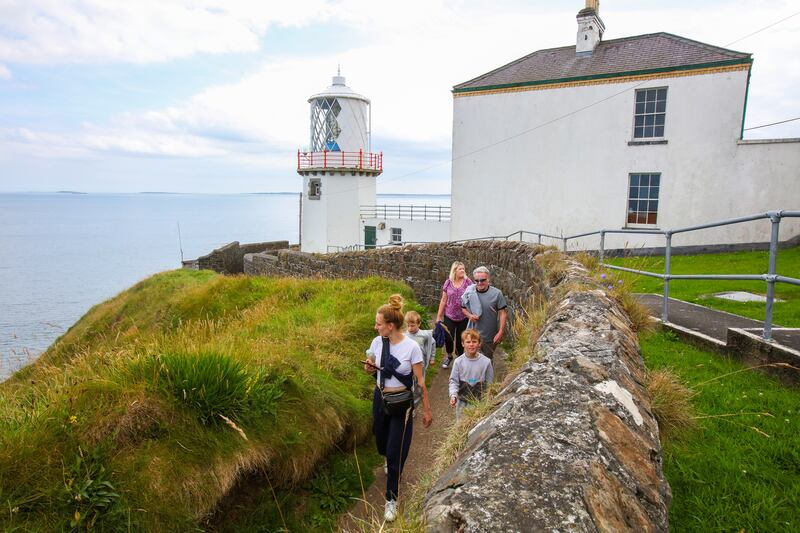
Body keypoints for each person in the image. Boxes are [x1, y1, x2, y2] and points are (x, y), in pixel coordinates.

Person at [365, 295, 433, 522]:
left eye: (378, 323)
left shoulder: (412, 348)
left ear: (390, 325)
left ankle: (391, 498)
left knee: (395, 452)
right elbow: (371, 369)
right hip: (380, 400)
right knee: (381, 441)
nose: (375, 327)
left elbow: (420, 381)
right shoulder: (377, 342)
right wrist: (369, 367)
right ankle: (389, 458)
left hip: (402, 405)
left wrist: (426, 409)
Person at [461, 266, 507, 360]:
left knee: (487, 360)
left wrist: (501, 331)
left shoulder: (497, 293)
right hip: (472, 335)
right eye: (476, 280)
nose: (479, 283)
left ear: (488, 279)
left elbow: (503, 313)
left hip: (489, 336)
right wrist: (470, 316)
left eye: (482, 280)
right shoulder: (469, 292)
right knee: (471, 360)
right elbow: (463, 308)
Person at [449, 329, 494, 421]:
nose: (471, 344)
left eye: (474, 342)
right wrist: (453, 395)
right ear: (462, 344)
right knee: (461, 427)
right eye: (468, 342)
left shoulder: (486, 362)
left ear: (479, 343)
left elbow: (490, 384)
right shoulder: (458, 362)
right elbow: (453, 381)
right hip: (462, 402)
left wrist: (489, 398)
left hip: (480, 402)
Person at [436, 261, 473, 369]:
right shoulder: (448, 282)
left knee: (461, 339)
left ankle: (460, 358)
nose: (462, 270)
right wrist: (438, 316)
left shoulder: (468, 282)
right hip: (449, 315)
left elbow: (473, 298)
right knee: (448, 337)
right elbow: (443, 300)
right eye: (460, 269)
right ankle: (449, 356)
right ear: (455, 270)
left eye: (463, 268)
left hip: (463, 316)